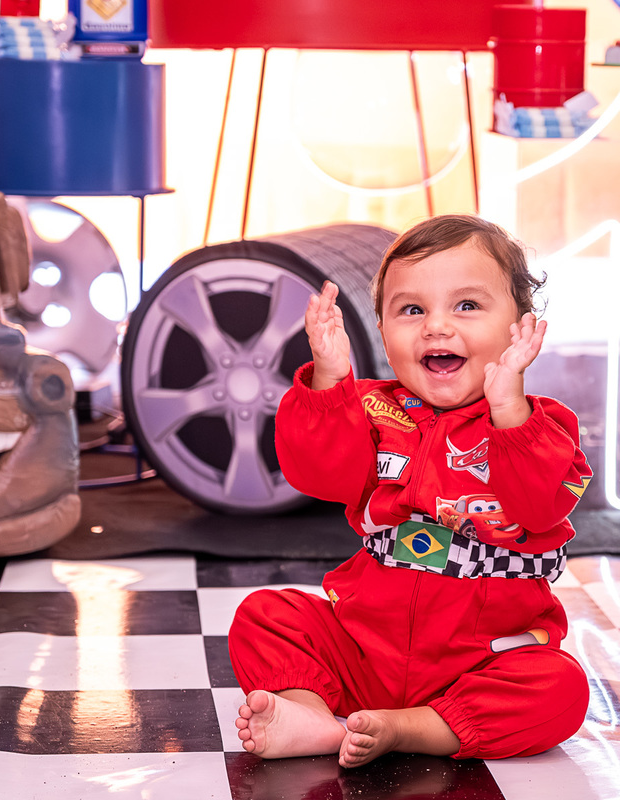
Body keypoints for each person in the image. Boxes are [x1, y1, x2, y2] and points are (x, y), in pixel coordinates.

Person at [229, 214, 593, 768]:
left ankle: (414, 729)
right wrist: (329, 380)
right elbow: (318, 475)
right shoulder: (371, 410)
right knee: (267, 613)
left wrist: (509, 412)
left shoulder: (542, 425)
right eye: (412, 310)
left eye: (466, 306)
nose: (436, 327)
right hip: (364, 648)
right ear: (381, 328)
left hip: (480, 661)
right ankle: (310, 718)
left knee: (559, 688)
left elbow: (539, 506)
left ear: (520, 327)